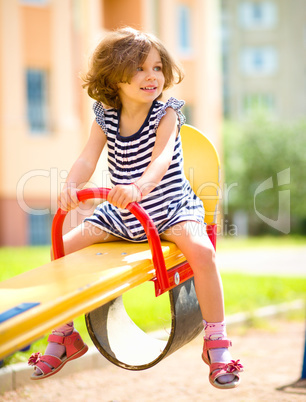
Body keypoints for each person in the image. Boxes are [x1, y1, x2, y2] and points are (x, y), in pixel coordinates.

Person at [28, 27, 243, 389]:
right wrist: (70, 185)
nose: (151, 76)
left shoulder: (166, 114)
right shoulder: (106, 117)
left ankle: (216, 340)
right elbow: (86, 158)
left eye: (157, 68)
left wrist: (138, 186)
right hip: (124, 214)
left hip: (171, 207)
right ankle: (64, 334)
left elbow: (160, 161)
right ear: (115, 77)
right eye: (139, 69)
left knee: (202, 253)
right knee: (61, 249)